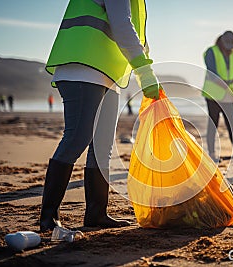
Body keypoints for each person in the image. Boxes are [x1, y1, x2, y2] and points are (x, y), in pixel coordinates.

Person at [40, 0, 160, 232]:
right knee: (77, 137)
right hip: (82, 66)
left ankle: (96, 213)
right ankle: (48, 218)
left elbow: (131, 31)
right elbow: (122, 26)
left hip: (106, 74)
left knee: (102, 144)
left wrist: (143, 58)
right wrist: (145, 72)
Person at [202, 31, 233, 162]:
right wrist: (227, 86)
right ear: (221, 41)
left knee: (232, 124)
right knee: (213, 123)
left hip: (227, 95)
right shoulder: (211, 52)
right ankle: (212, 154)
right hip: (212, 94)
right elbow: (212, 73)